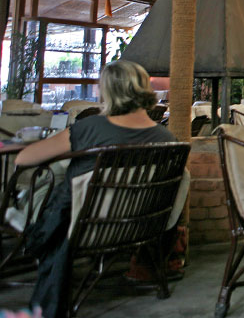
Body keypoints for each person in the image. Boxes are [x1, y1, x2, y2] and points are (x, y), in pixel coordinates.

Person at [16, 60, 176, 318]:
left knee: (49, 191)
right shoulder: (167, 139)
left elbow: (23, 159)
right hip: (138, 227)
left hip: (81, 227)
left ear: (108, 91)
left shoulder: (89, 129)